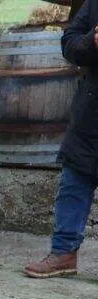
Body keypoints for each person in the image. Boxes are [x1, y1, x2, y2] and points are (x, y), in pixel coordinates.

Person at [24, 0, 98, 278]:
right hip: (90, 114)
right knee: (73, 184)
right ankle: (64, 253)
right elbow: (69, 43)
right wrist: (92, 41)